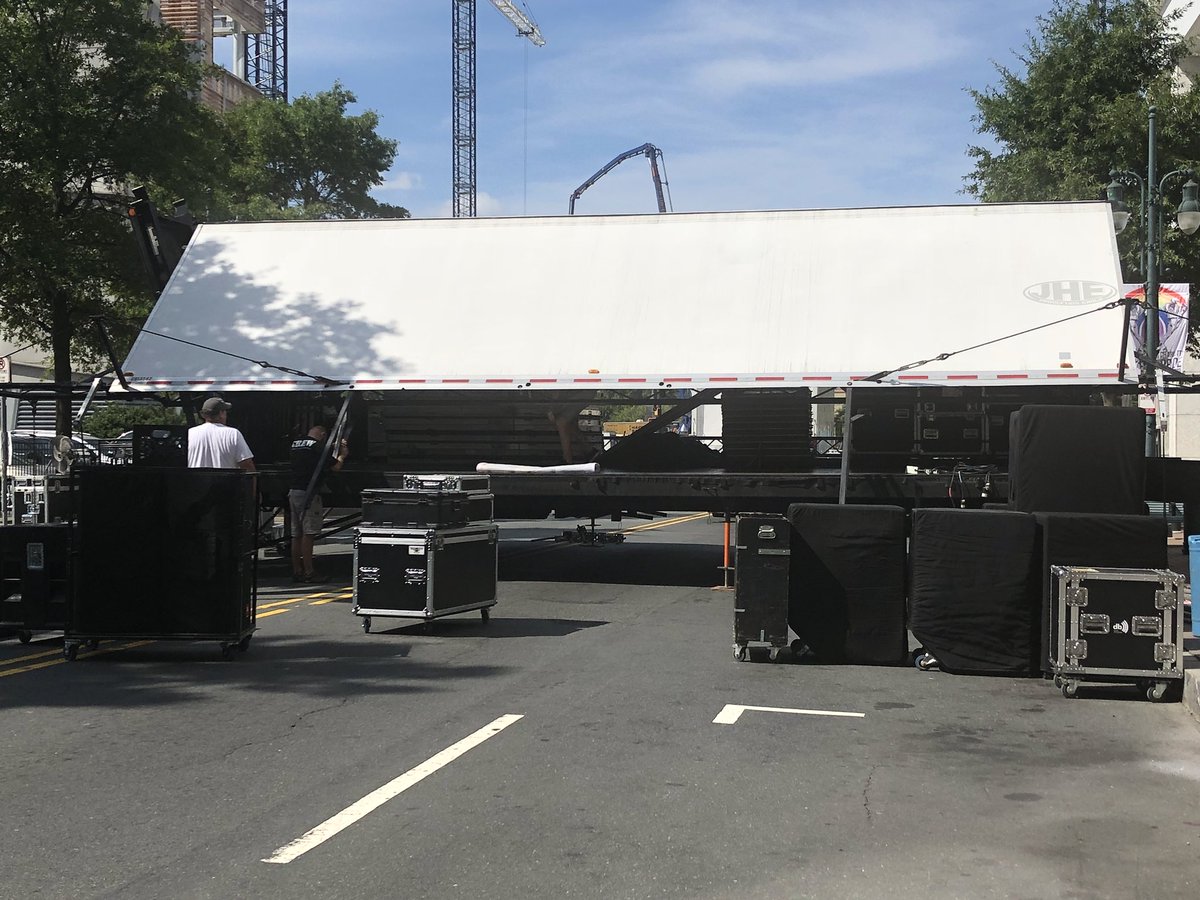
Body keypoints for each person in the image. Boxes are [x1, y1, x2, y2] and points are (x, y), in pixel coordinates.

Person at [289, 424, 348, 583]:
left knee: (296, 534)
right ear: (322, 435)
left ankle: (297, 570)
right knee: (308, 534)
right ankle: (309, 572)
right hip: (309, 493)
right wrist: (342, 455)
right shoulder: (317, 447)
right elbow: (335, 467)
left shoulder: (296, 444)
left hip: (294, 490)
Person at [187, 396, 255, 471]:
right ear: (221, 413)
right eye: (225, 411)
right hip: (225, 478)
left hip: (197, 478)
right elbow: (247, 464)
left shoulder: (190, 433)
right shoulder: (233, 434)